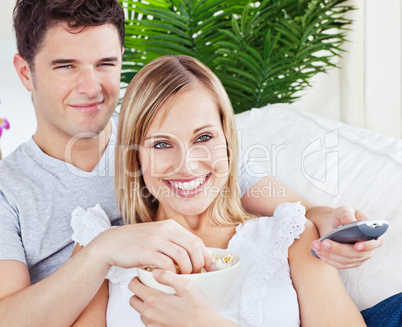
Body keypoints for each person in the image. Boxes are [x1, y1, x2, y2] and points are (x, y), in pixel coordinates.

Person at [0, 0, 381, 325]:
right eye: (65, 66)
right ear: (25, 71)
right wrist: (102, 250)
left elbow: (241, 182)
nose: (91, 87)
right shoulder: (21, 197)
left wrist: (321, 217)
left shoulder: (283, 233)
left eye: (105, 63)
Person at [71, 55, 366, 326]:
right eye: (161, 144)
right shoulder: (101, 249)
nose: (186, 165)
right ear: (135, 156)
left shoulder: (292, 238)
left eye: (203, 137)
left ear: (227, 141)